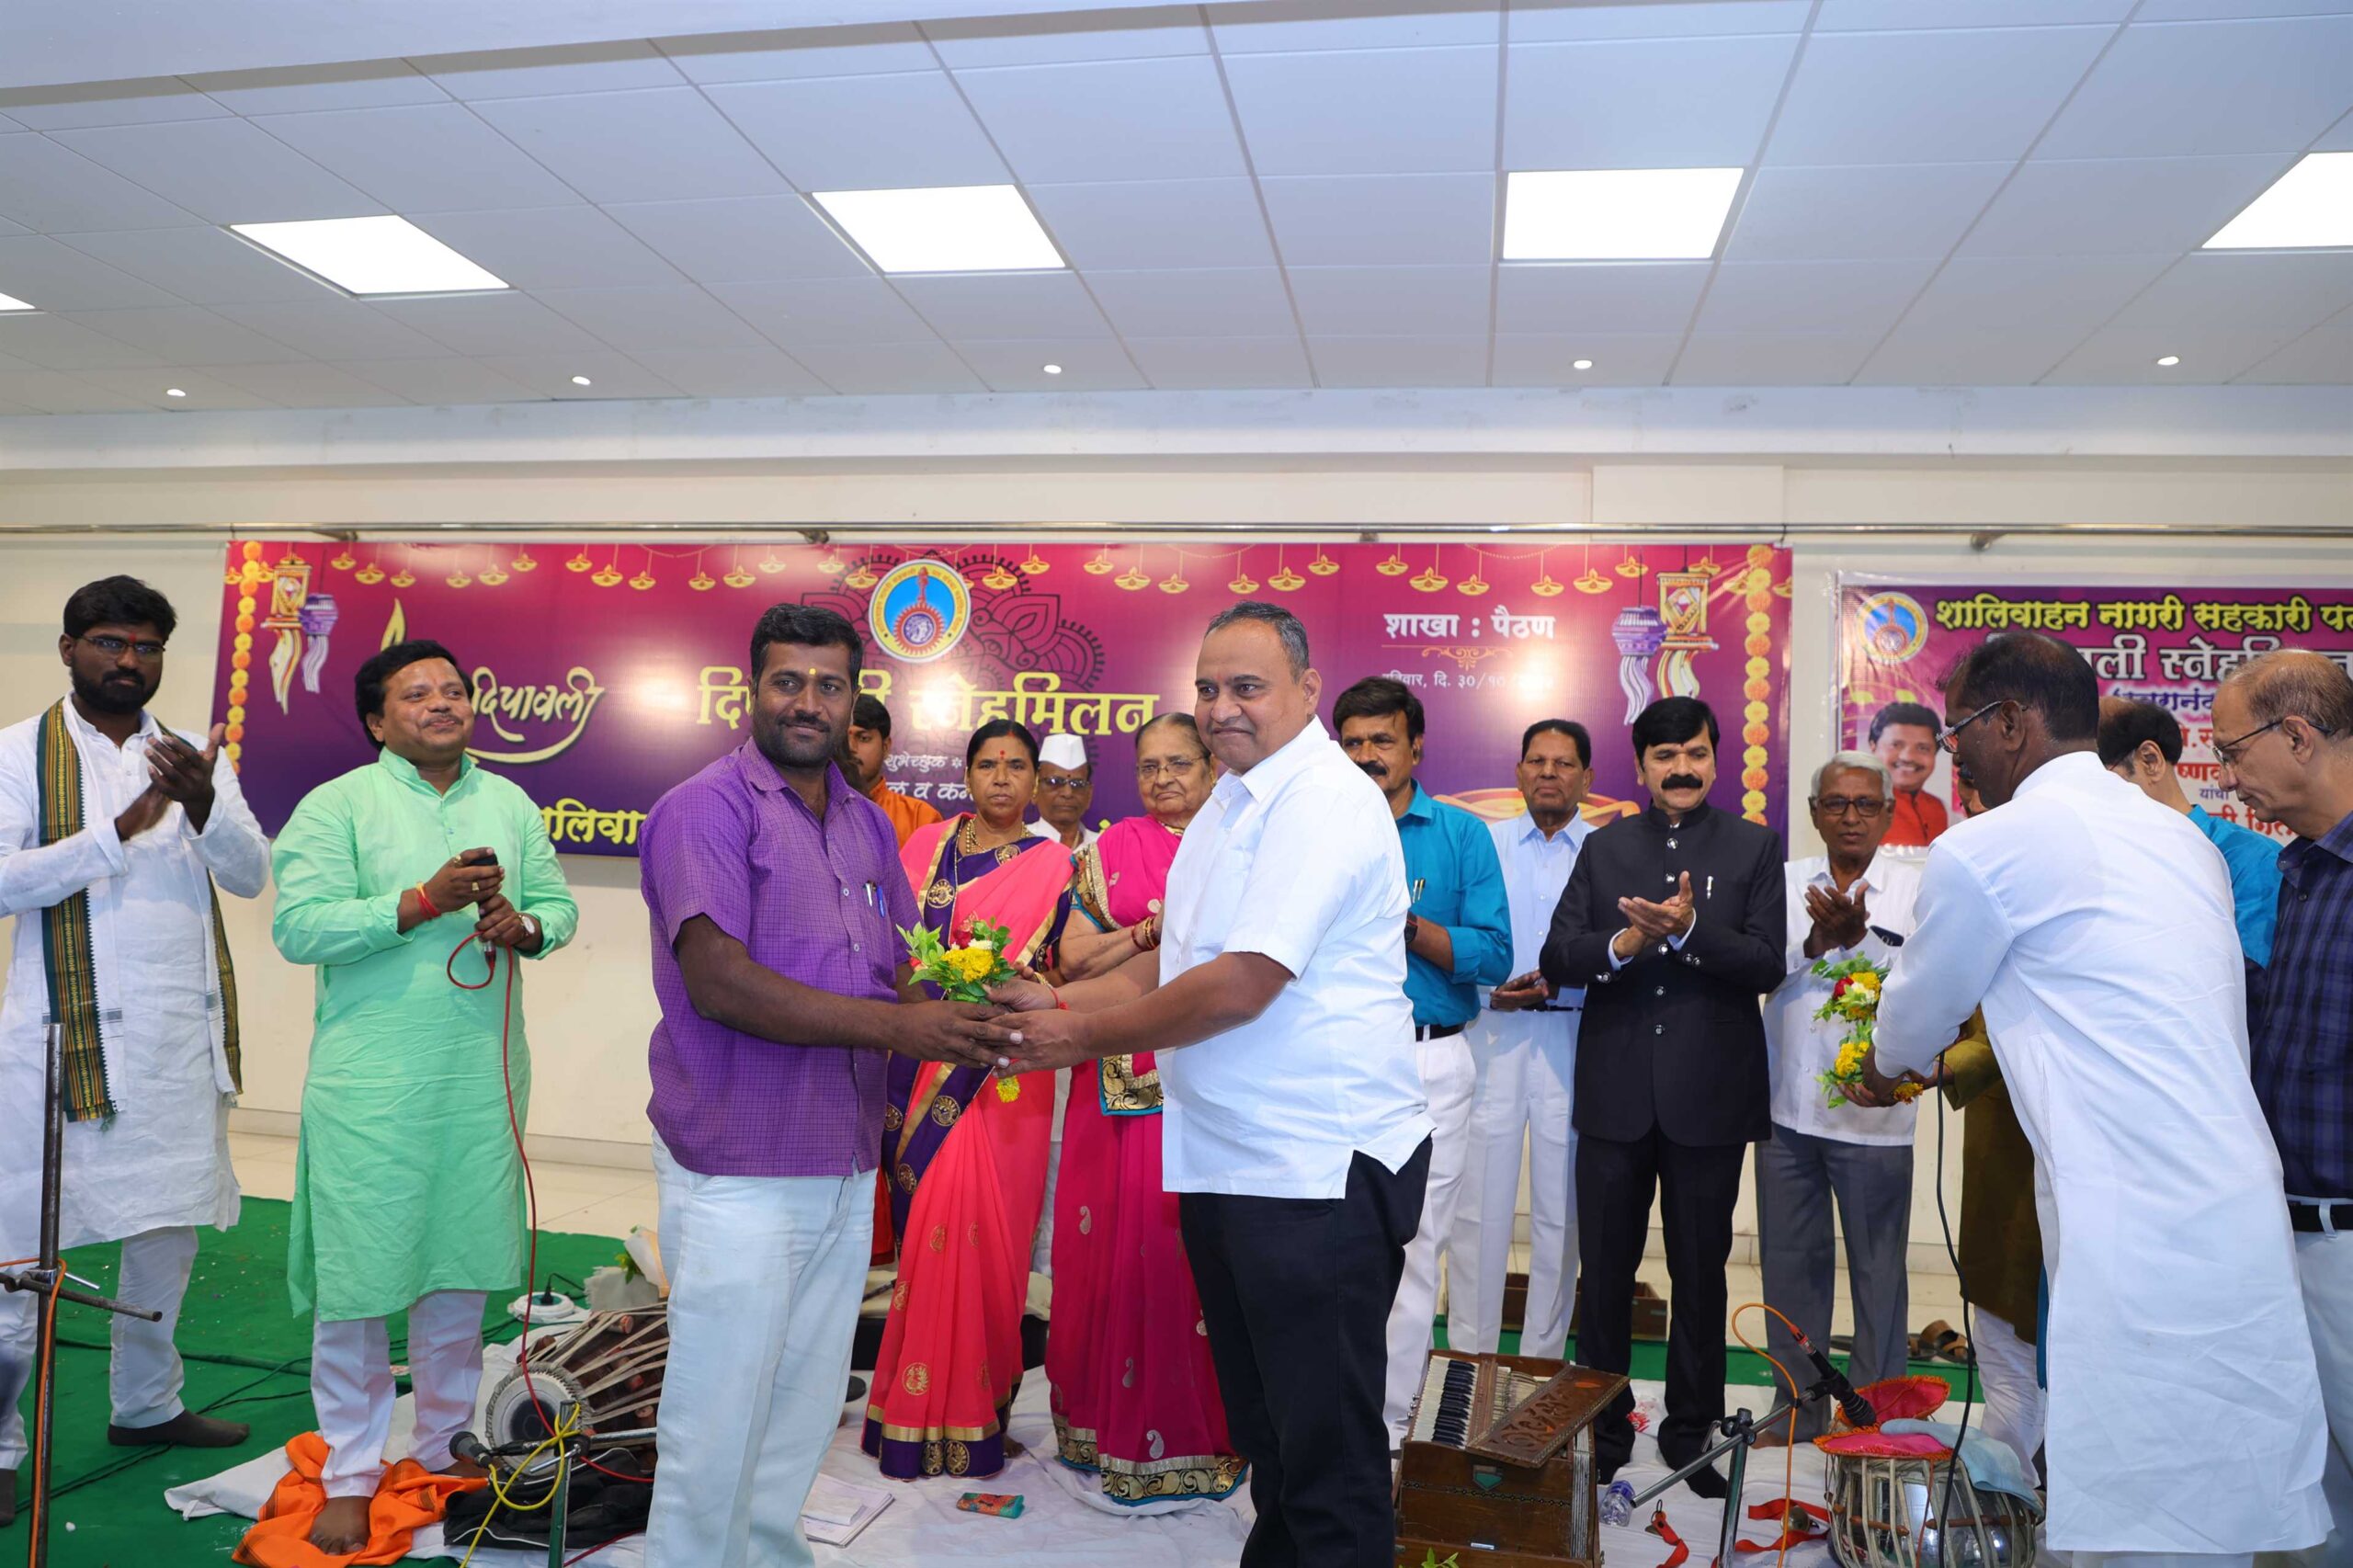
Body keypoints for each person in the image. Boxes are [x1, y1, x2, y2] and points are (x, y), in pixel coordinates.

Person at [982, 601, 1431, 1568]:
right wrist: (1053, 999)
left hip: (1315, 1168)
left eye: (1247, 687)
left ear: (1307, 690)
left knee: (1326, 1450)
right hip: (1231, 1159)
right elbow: (1174, 960)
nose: (1222, 706)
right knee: (1269, 1432)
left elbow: (1242, 981)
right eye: (1208, 688)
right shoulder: (1231, 802)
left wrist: (1077, 1035)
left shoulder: (1320, 800)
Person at [1866, 631, 2328, 1566]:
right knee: (2218, 1495)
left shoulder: (1989, 846)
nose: (1954, 755)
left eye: (1958, 731)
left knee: (2143, 1510)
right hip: (2236, 1202)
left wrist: (1884, 1070)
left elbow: (1912, 1023)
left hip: (2135, 1217)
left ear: (2009, 722)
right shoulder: (2179, 837)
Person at [639, 604, 1006, 1568]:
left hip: (843, 1157)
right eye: (788, 681)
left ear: (853, 701)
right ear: (751, 689)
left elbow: (900, 972)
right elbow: (719, 983)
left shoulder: (864, 824)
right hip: (740, 1161)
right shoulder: (704, 809)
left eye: (829, 685)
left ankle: (767, 1554)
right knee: (717, 1408)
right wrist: (900, 1027)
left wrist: (985, 1008)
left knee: (804, 1401)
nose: (808, 701)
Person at [270, 639, 579, 1553]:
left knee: (458, 1266)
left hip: (477, 1080)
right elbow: (299, 926)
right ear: (377, 719)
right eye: (417, 693)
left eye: (453, 690)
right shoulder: (337, 805)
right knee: (361, 1278)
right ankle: (351, 1468)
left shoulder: (509, 801)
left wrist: (525, 925)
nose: (442, 703)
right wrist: (420, 899)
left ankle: (444, 1443)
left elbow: (559, 907)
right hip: (370, 1084)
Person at [0, 577, 268, 1526]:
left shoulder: (191, 753)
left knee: (167, 1233)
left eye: (146, 646)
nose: (128, 660)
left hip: (171, 1043)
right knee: (19, 1256)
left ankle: (147, 1404)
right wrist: (112, 835)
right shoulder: (16, 754)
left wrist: (203, 804)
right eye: (110, 642)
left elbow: (251, 874)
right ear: (69, 648)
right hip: (58, 1044)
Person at [1538, 695, 1784, 1494]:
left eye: (1696, 753)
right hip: (1615, 1095)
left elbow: (1766, 963)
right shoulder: (1604, 848)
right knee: (1605, 1276)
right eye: (1665, 756)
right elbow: (1560, 956)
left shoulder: (1753, 846)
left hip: (1709, 1097)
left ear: (1715, 759)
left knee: (1701, 1275)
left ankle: (1688, 1433)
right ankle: (1603, 1431)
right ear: (1640, 766)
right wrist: (1626, 940)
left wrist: (1686, 932)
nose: (1682, 769)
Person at [861, 718, 1076, 1483]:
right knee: (931, 1232)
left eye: (1017, 765)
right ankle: (914, 1412)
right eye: (987, 764)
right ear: (967, 774)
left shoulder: (1058, 865)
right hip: (926, 1055)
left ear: (1035, 779)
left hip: (1009, 1068)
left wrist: (1034, 987)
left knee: (993, 1239)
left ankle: (975, 1408)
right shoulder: (926, 846)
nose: (1002, 778)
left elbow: (1068, 966)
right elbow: (889, 944)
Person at [1042, 714, 1244, 1505]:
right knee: (1109, 1255)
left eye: (1178, 764)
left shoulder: (1239, 843)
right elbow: (1071, 958)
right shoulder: (1109, 849)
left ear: (1212, 767)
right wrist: (1145, 936)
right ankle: (1102, 1428)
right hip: (1114, 1082)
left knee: (1188, 1262)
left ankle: (1198, 1434)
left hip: (1209, 1077)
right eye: (1149, 766)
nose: (1163, 780)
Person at [1332, 676, 1508, 1444]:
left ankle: (1390, 1428)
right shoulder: (1318, 830)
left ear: (1416, 746)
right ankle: (1332, 1417)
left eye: (1383, 740)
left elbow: (1494, 955)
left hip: (1429, 1062)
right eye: (1353, 742)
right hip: (1332, 1065)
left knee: (1413, 1245)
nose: (1367, 755)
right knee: (1327, 1243)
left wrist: (1406, 926)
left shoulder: (1461, 834)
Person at [2213, 649, 2353, 1560]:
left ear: (2297, 735)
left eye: (2233, 752)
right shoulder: (2302, 871)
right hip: (2286, 1237)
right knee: (2313, 1508)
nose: (2227, 776)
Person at [1753, 751, 1921, 1445]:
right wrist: (1815, 941)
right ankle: (1797, 1408)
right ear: (1815, 813)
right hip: (1785, 1112)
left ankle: (1874, 1415)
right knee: (1790, 1271)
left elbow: (1923, 984)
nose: (1851, 817)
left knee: (1879, 1278)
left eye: (1865, 804)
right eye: (1836, 804)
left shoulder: (1917, 888)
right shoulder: (1783, 882)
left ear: (1887, 812)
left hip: (1876, 1119)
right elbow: (1757, 968)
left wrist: (1863, 945)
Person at [1451, 719, 1595, 1360]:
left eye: (1563, 764)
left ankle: (1541, 1363)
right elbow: (1460, 935)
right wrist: (1488, 991)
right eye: (1537, 761)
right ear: (1518, 773)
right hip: (1493, 1031)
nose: (1548, 773)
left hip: (1575, 1036)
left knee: (1561, 1211)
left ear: (1587, 778)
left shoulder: (1606, 852)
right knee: (1478, 1206)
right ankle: (1469, 1359)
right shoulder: (1484, 844)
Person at [1932, 779, 2047, 1475]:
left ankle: (2035, 1481)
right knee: (2000, 1321)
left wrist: (1937, 1063)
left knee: (2046, 1321)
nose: (1972, 816)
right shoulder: (1978, 878)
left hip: (2064, 1134)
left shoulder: (2051, 877)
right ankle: (2009, 1482)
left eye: (1984, 806)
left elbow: (2033, 1013)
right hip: (2000, 1137)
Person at [2097, 696, 2281, 967]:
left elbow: (2248, 979)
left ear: (2150, 761)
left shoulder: (2249, 860)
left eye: (2092, 779)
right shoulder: (2096, 862)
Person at [843, 693, 941, 847]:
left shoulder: (920, 818)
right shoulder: (811, 810)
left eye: (863, 738)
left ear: (886, 747)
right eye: (842, 738)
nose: (850, 748)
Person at [1870, 700, 1948, 847]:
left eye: (1922, 748)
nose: (1908, 757)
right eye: (1896, 745)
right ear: (1873, 747)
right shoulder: (1859, 807)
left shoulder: (1941, 810)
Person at [1030, 733, 1100, 851]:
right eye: (1054, 782)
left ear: (1089, 795)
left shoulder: (1103, 846)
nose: (1068, 793)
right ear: (1034, 790)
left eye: (1077, 784)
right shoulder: (1018, 845)